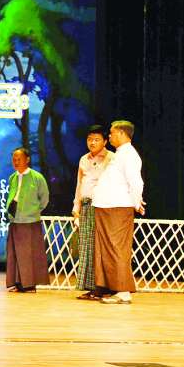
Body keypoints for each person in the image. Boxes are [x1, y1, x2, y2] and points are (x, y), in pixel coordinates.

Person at [92, 120, 145, 305]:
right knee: (107, 250)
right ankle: (112, 288)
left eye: (112, 133)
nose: (109, 136)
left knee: (117, 248)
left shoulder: (129, 155)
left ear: (122, 133)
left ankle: (123, 292)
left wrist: (136, 202)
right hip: (107, 206)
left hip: (117, 207)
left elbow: (136, 182)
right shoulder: (120, 154)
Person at [72, 125, 114, 300]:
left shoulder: (111, 158)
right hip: (86, 206)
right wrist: (76, 208)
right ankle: (92, 287)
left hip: (103, 207)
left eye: (96, 139)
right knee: (87, 248)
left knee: (100, 248)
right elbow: (79, 184)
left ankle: (104, 287)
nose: (92, 142)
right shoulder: (84, 159)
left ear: (105, 141)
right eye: (89, 139)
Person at [5, 147, 50, 293]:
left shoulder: (37, 177)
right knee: (15, 253)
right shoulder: (12, 177)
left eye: (19, 159)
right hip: (15, 220)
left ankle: (29, 284)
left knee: (29, 253)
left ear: (27, 159)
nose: (16, 162)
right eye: (14, 159)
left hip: (30, 221)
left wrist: (33, 211)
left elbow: (44, 199)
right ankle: (17, 283)